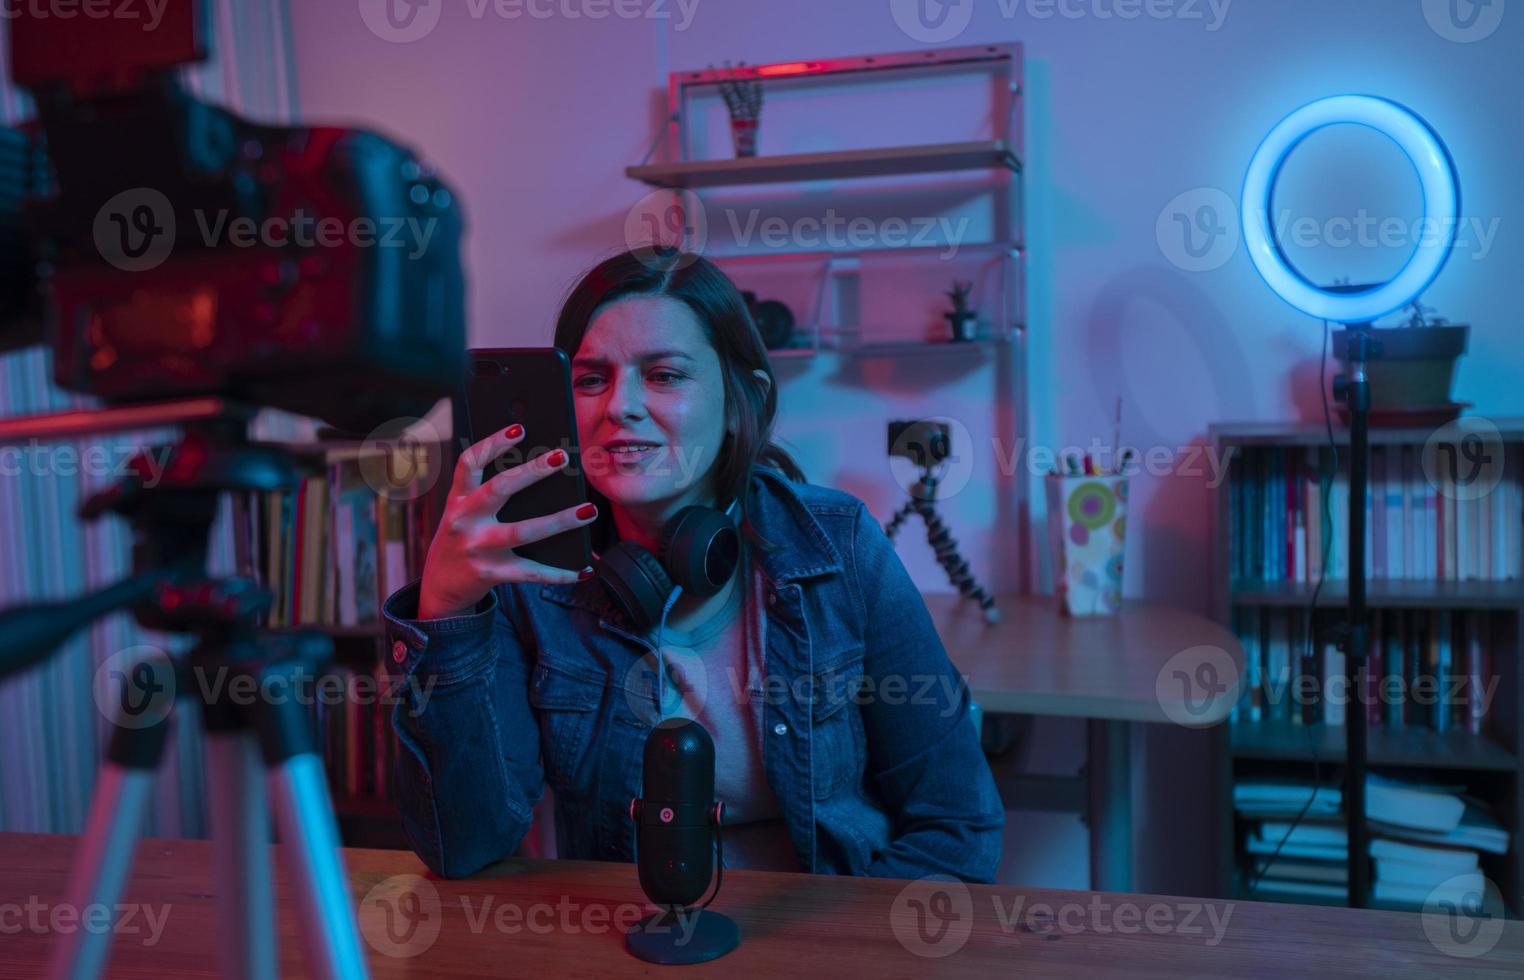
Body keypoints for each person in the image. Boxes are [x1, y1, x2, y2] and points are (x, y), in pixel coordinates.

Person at [382, 248, 1003, 881]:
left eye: (665, 375)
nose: (619, 406)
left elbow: (957, 825)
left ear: (740, 404)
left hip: (820, 938)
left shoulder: (838, 547)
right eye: (592, 379)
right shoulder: (529, 575)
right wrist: (447, 620)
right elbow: (465, 844)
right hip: (624, 940)